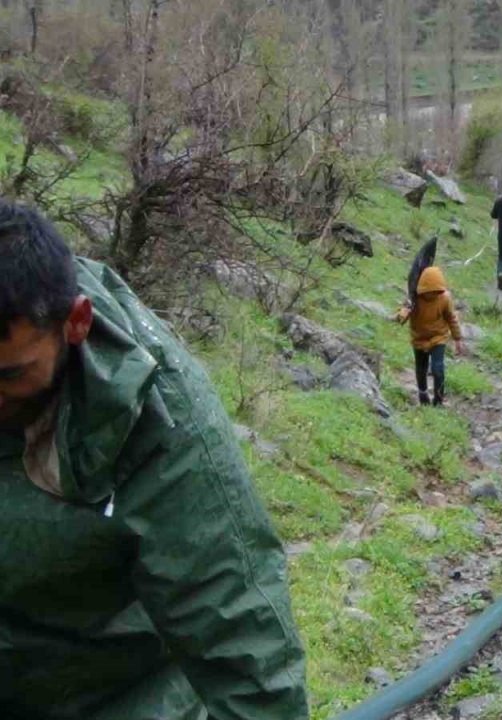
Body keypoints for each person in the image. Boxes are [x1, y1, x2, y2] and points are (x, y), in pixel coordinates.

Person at [0, 201, 308, 719]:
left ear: (76, 323)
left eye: (9, 376)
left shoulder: (163, 422)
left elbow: (240, 637)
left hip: (106, 687)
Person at [396, 266, 466, 407]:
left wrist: (457, 339)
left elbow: (451, 318)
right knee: (421, 368)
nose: (433, 295)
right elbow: (402, 315)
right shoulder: (414, 299)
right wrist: (403, 314)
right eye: (430, 292)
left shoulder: (444, 299)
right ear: (423, 290)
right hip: (419, 338)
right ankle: (423, 396)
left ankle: (438, 400)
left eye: (436, 292)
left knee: (437, 369)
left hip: (438, 337)